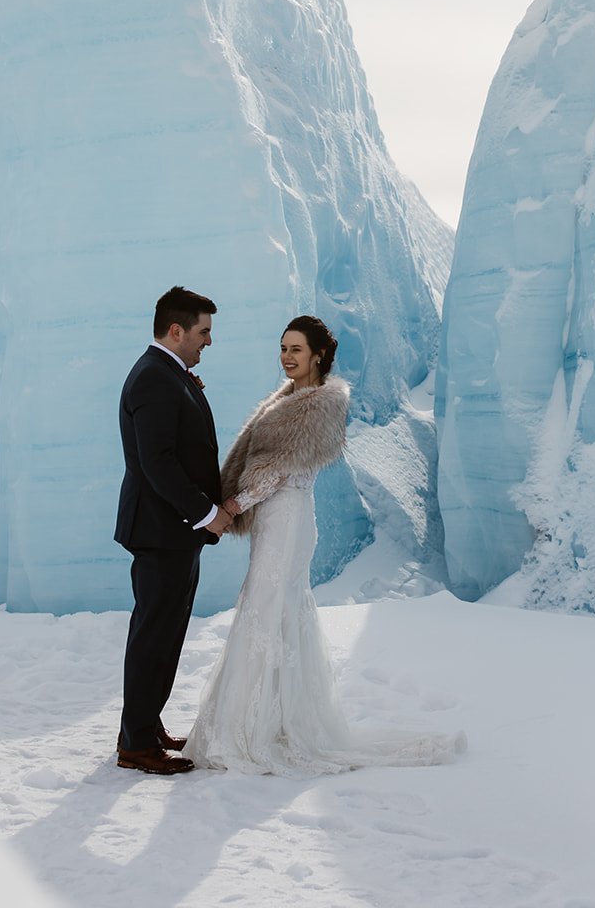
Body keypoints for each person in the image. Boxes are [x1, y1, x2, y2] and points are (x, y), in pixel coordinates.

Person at [185, 315, 466, 775]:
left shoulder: (320, 404)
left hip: (288, 514)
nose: (287, 357)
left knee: (267, 604)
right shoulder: (288, 398)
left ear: (318, 355)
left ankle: (254, 728)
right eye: (283, 348)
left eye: (296, 349)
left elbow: (283, 469)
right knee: (270, 608)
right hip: (275, 517)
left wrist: (233, 505)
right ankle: (262, 719)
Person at [115, 286, 235, 775]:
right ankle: (135, 743)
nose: (208, 342)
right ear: (176, 330)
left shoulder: (169, 374)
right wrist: (206, 513)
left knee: (166, 634)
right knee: (153, 636)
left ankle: (146, 724)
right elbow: (157, 462)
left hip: (174, 532)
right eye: (204, 332)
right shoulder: (153, 379)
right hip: (162, 530)